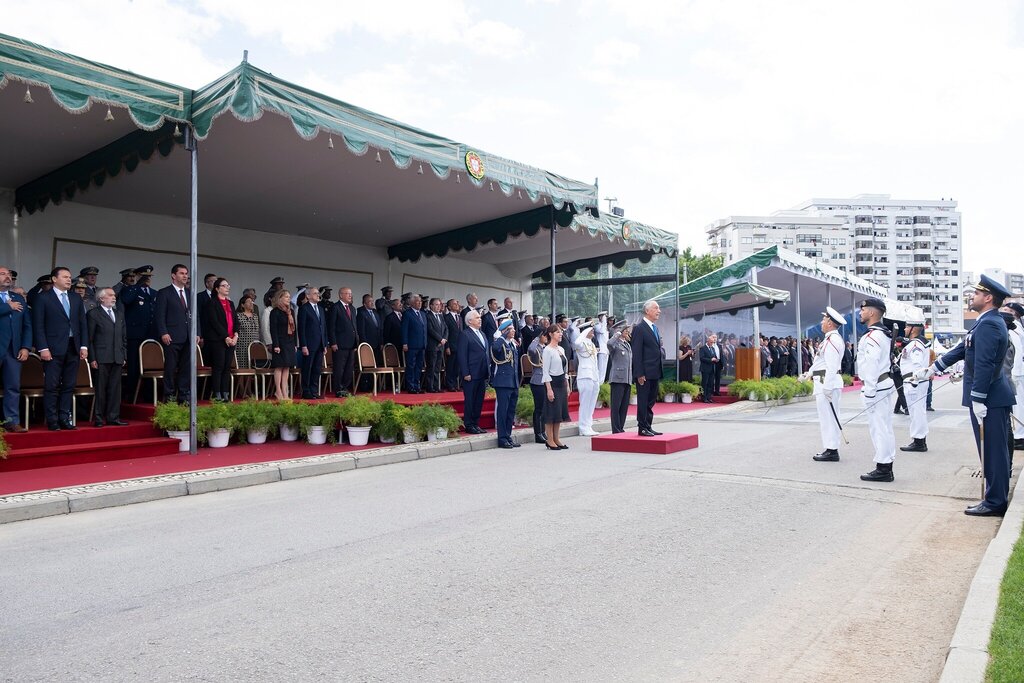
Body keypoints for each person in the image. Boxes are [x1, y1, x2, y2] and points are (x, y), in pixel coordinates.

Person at [918, 275, 1016, 516]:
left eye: (977, 293)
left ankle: (995, 502)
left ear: (988, 298)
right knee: (991, 451)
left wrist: (979, 398)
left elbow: (985, 364)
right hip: (990, 396)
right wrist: (934, 368)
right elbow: (962, 349)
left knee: (993, 452)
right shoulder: (984, 322)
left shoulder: (990, 324)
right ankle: (994, 498)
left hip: (990, 398)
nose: (972, 296)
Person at [33, 267, 89, 430]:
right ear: (54, 279)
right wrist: (43, 347)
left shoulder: (75, 298)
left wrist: (84, 345)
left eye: (69, 277)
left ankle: (64, 417)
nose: (68, 280)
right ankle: (52, 420)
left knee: (69, 385)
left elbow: (82, 323)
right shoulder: (43, 298)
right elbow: (38, 325)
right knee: (51, 385)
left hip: (73, 346)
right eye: (65, 277)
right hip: (52, 348)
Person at [857, 298, 897, 483]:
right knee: (885, 428)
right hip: (883, 384)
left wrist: (870, 392)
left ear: (872, 313)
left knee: (879, 428)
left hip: (876, 386)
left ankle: (883, 468)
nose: (860, 312)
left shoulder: (873, 336)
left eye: (863, 309)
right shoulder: (883, 334)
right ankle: (886, 464)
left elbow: (871, 364)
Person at [807, 307, 846, 462]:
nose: (821, 322)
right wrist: (809, 373)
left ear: (830, 323)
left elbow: (831, 365)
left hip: (827, 383)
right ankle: (830, 448)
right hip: (823, 381)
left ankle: (832, 450)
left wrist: (828, 387)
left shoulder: (833, 340)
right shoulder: (829, 339)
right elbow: (820, 361)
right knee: (826, 417)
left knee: (829, 418)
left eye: (824, 320)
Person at [87, 288, 128, 426]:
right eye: (110, 295)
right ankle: (98, 418)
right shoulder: (93, 314)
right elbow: (90, 339)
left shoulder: (119, 314)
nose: (114, 297)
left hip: (117, 357)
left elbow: (124, 337)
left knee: (115, 389)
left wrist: (124, 355)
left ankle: (113, 417)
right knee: (100, 389)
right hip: (101, 357)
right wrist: (92, 358)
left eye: (114, 295)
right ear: (101, 298)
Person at [154, 264, 194, 404]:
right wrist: (163, 332)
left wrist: (197, 333)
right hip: (171, 336)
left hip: (188, 336)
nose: (185, 276)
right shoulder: (164, 292)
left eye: (186, 273)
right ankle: (169, 396)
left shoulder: (190, 293)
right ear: (173, 275)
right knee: (170, 368)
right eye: (182, 273)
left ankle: (184, 396)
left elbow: (196, 315)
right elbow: (160, 315)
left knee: (186, 368)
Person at [0, 265, 31, 431]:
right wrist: (7, 307)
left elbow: (27, 325)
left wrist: (25, 347)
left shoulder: (18, 298)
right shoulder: (11, 303)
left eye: (9, 274)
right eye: (2, 274)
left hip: (13, 350)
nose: (8, 277)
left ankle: (11, 421)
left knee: (13, 387)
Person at [120, 267, 156, 399]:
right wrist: (137, 285)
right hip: (134, 334)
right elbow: (126, 300)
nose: (147, 279)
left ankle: (148, 394)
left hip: (150, 334)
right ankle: (132, 394)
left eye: (149, 277)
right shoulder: (130, 290)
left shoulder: (154, 293)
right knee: (134, 365)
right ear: (137, 276)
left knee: (149, 364)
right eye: (144, 276)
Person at [202, 278, 239, 402]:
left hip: (231, 339)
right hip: (218, 340)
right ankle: (217, 393)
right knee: (219, 366)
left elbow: (235, 321)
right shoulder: (211, 302)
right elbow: (214, 322)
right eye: (224, 285)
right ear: (217, 288)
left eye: (228, 285)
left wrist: (235, 335)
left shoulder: (231, 303)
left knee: (227, 367)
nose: (227, 287)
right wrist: (226, 337)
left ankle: (225, 393)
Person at [898, 314, 930, 452]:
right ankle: (919, 440)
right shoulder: (917, 343)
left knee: (916, 412)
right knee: (917, 411)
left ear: (913, 329)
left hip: (914, 381)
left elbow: (917, 363)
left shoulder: (915, 345)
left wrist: (914, 381)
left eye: (907, 327)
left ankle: (919, 441)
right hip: (915, 381)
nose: (905, 329)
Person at [633, 301, 664, 436]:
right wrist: (639, 373)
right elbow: (637, 353)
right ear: (647, 311)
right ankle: (642, 427)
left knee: (651, 400)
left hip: (655, 371)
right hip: (644, 373)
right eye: (656, 308)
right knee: (643, 400)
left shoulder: (654, 328)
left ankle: (648, 425)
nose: (659, 311)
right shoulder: (639, 328)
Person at [458, 310, 490, 434]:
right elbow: (462, 355)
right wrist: (465, 373)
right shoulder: (465, 334)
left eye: (480, 317)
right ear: (470, 321)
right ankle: (469, 424)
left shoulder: (482, 333)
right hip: (471, 374)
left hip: (482, 373)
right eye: (477, 318)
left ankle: (475, 424)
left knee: (479, 400)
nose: (480, 319)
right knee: (470, 400)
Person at [491, 317, 520, 448]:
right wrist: (502, 336)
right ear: (504, 331)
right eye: (510, 329)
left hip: (513, 382)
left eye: (513, 328)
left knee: (510, 411)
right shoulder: (500, 342)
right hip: (503, 382)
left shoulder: (511, 344)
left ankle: (508, 436)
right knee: (503, 411)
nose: (513, 331)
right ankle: (502, 438)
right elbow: (494, 349)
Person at [541, 324, 571, 449]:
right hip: (552, 383)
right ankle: (550, 440)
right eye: (558, 332)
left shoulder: (561, 349)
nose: (560, 334)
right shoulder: (547, 350)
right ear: (551, 334)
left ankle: (556, 438)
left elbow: (565, 369)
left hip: (561, 382)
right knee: (551, 413)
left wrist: (567, 384)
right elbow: (545, 371)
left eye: (560, 332)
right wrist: (549, 389)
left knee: (559, 412)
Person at [328, 286, 359, 397]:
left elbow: (354, 326)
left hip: (351, 343)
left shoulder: (352, 308)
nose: (350, 295)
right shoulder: (335, 307)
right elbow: (331, 327)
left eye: (351, 293)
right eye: (347, 293)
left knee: (349, 368)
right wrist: (333, 342)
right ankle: (338, 389)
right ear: (341, 295)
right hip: (340, 344)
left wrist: (356, 341)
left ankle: (345, 388)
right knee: (339, 368)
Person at [297, 285, 326, 399]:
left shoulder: (321, 309)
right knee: (307, 368)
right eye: (315, 293)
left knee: (317, 369)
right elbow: (302, 329)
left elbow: (323, 328)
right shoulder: (304, 309)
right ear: (308, 296)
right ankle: (306, 391)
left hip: (320, 344)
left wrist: (324, 344)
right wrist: (303, 345)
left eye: (318, 293)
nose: (318, 295)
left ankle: (314, 390)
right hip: (309, 344)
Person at [269, 289, 297, 400]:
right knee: (279, 366)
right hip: (280, 342)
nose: (288, 299)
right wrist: (276, 345)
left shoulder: (290, 312)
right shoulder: (275, 312)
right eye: (286, 297)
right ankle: (278, 391)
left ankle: (285, 391)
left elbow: (294, 329)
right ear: (280, 298)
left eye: (289, 297)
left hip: (289, 342)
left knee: (287, 367)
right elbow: (273, 330)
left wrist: (295, 344)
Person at [573, 322, 600, 436]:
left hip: (593, 375)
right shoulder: (581, 342)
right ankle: (583, 427)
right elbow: (576, 343)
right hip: (585, 375)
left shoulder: (591, 344)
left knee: (591, 403)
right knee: (585, 403)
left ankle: (588, 425)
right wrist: (583, 332)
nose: (593, 331)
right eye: (590, 329)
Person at [607, 321, 634, 434]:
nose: (627, 331)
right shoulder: (615, 343)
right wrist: (617, 334)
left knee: (624, 406)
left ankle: (621, 427)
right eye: (625, 329)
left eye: (627, 329)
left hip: (627, 378)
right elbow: (609, 344)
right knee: (616, 406)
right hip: (617, 379)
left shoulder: (627, 344)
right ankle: (616, 429)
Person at [1005, 302, 1024, 451]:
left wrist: (1014, 374)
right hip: (1019, 372)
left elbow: (1017, 351)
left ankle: (1019, 436)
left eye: (1007, 310)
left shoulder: (1014, 328)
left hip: (1017, 373)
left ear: (1014, 314)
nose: (1003, 311)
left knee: (1018, 406)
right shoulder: (1018, 327)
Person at [527, 327, 549, 443]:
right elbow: (530, 350)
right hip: (538, 380)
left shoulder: (545, 348)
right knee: (539, 408)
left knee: (544, 409)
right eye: (544, 335)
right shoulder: (536, 348)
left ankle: (543, 431)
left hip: (545, 380)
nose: (546, 337)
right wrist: (536, 338)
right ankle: (538, 433)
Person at [401, 294, 427, 394]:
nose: (420, 303)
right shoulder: (407, 314)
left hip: (421, 345)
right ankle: (410, 386)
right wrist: (405, 343)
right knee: (411, 366)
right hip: (411, 345)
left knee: (419, 367)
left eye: (420, 301)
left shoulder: (423, 314)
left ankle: (417, 386)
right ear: (411, 303)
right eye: (417, 301)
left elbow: (424, 330)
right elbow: (404, 329)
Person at [425, 297, 448, 393]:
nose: (439, 306)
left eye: (439, 305)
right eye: (436, 304)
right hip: (433, 345)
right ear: (431, 306)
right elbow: (430, 330)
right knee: (431, 366)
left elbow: (446, 328)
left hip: (441, 345)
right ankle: (430, 387)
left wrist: (444, 339)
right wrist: (440, 339)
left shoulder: (441, 316)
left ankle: (436, 386)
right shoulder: (428, 316)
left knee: (437, 367)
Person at [234, 294, 261, 368]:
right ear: (242, 305)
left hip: (254, 346)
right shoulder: (238, 316)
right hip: (242, 346)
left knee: (254, 366)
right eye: (248, 302)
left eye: (252, 301)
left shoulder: (255, 316)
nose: (251, 303)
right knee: (242, 367)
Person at [356, 293, 383, 364]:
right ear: (364, 304)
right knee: (369, 364)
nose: (372, 303)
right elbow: (361, 330)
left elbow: (379, 328)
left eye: (372, 301)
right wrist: (365, 344)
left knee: (378, 363)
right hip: (368, 343)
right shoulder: (361, 313)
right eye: (370, 301)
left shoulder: (375, 313)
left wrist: (381, 342)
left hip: (377, 344)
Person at [444, 299, 463, 391]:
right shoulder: (446, 317)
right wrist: (447, 346)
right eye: (454, 304)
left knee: (457, 367)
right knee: (450, 367)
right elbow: (446, 333)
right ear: (449, 307)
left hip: (459, 346)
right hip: (451, 346)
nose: (457, 305)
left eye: (457, 303)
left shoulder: (460, 318)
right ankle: (450, 385)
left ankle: (455, 384)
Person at [698, 334, 720, 403]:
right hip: (705, 368)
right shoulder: (703, 348)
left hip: (712, 368)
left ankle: (709, 397)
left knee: (710, 383)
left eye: (713, 342)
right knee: (705, 383)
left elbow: (714, 356)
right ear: (708, 341)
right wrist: (710, 360)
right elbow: (702, 358)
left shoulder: (712, 348)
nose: (712, 343)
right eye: (711, 342)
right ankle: (704, 397)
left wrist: (716, 359)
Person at [593, 312, 610, 383]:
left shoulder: (604, 326)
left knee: (604, 368)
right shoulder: (597, 326)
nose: (605, 319)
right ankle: (599, 383)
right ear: (600, 317)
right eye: (604, 317)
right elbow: (601, 331)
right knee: (600, 367)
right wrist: (604, 322)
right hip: (601, 350)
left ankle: (602, 382)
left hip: (605, 349)